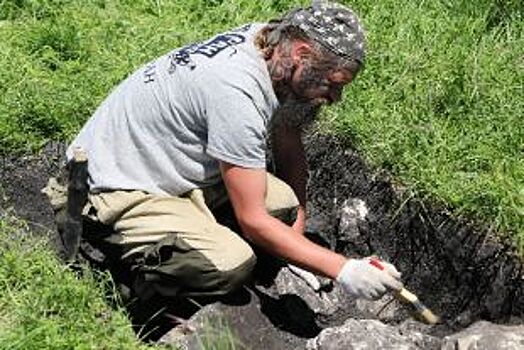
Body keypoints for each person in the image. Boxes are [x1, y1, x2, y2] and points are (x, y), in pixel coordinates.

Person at [66, 0, 403, 303]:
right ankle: (124, 285)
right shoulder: (237, 93)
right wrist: (342, 269)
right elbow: (253, 220)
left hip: (167, 166)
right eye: (333, 83)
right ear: (302, 55)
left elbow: (287, 134)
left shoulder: (270, 44)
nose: (334, 98)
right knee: (229, 264)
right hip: (113, 188)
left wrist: (297, 246)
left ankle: (192, 229)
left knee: (283, 205)